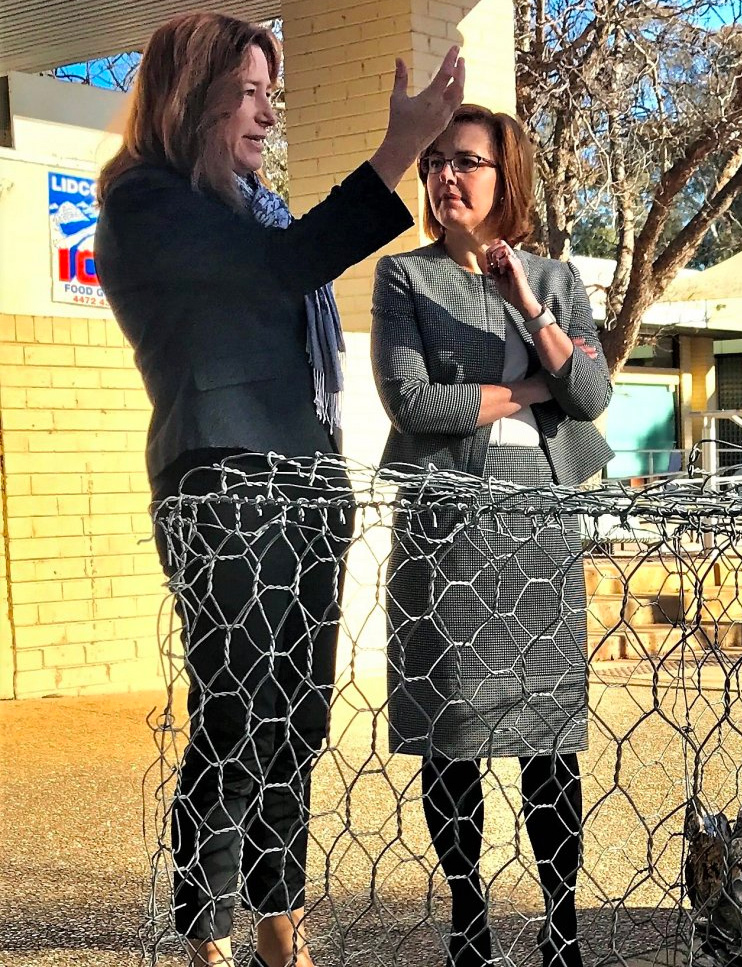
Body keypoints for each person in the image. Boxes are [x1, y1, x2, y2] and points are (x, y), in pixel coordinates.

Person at [94, 13, 464, 967]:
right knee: (236, 712)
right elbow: (282, 271)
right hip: (221, 479)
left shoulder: (250, 203)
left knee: (297, 718)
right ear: (194, 94)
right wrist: (398, 150)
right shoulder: (146, 200)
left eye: (273, 95)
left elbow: (284, 263)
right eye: (251, 94)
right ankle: (209, 935)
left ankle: (281, 931)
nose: (267, 115)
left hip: (303, 478)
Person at [369, 104, 614, 967]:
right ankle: (467, 919)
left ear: (505, 175)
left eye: (465, 161)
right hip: (448, 525)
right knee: (454, 729)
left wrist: (525, 306)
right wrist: (531, 390)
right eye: (433, 161)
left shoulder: (555, 277)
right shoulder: (405, 279)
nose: (445, 177)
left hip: (540, 518)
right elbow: (411, 403)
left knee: (549, 730)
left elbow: (589, 395)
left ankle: (562, 921)